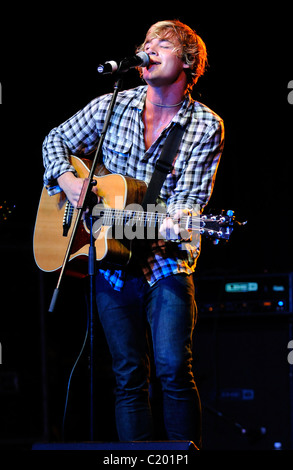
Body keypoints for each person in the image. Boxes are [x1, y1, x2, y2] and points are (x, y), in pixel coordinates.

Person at [42, 19, 224, 448]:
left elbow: (187, 207)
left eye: (162, 44)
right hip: (108, 262)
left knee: (173, 369)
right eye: (146, 44)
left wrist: (170, 222)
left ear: (188, 61)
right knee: (127, 376)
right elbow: (55, 140)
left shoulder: (204, 126)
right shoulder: (113, 105)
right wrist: (70, 183)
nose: (149, 50)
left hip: (164, 261)